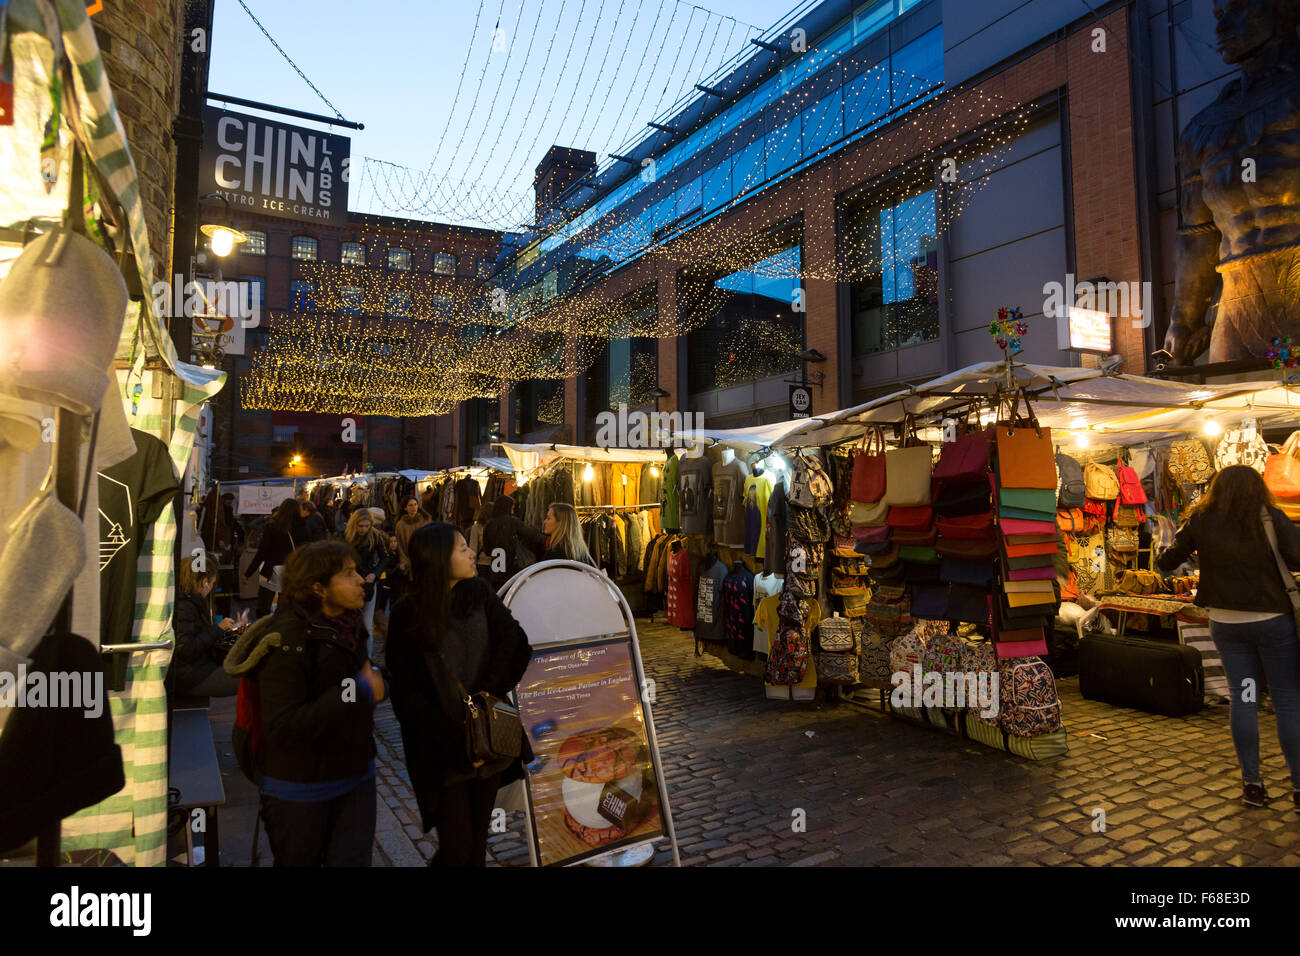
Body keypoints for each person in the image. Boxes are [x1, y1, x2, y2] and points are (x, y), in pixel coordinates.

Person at [224, 540, 384, 866]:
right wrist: (359, 690)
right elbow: (284, 725)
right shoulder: (287, 641)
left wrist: (376, 683)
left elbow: (372, 680)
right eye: (348, 574)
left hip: (355, 777)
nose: (360, 579)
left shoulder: (352, 626)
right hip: (299, 789)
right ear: (319, 588)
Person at [385, 523, 533, 867]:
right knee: (456, 848)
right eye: (462, 547)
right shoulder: (408, 613)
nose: (471, 553)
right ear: (437, 559)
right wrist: (456, 741)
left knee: (476, 846)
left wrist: (487, 697)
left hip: (488, 741)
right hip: (442, 753)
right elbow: (406, 696)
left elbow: (517, 644)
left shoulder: (479, 593)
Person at [1157, 464, 1300, 811]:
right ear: (1257, 489)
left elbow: (1167, 561)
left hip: (1228, 626)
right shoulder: (1271, 517)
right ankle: (1299, 789)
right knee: (1286, 702)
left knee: (1245, 699)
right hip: (1273, 623)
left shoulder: (1202, 520)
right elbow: (1297, 557)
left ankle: (1252, 784)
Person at [171, 553, 241, 697]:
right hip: (191, 677)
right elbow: (186, 650)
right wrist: (218, 628)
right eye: (213, 583)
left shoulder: (185, 601)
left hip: (194, 671)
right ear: (204, 582)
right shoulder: (186, 607)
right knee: (249, 679)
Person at [244, 499, 299, 617]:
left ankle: (263, 629)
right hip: (291, 570)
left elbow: (262, 552)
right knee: (285, 606)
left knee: (264, 604)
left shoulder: (273, 526)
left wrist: (248, 573)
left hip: (270, 570)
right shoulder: (301, 527)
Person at [481, 495, 547, 590]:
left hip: (496, 568)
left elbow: (487, 550)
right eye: (512, 507)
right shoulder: (513, 521)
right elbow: (531, 535)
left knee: (498, 593)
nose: (513, 510)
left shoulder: (489, 523)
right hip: (512, 567)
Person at [345, 508, 391, 642]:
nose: (363, 529)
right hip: (349, 581)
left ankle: (367, 657)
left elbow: (385, 558)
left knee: (367, 625)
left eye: (366, 526)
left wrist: (374, 574)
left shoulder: (375, 536)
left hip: (368, 582)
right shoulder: (346, 536)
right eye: (360, 526)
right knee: (350, 621)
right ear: (354, 524)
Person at [542, 502, 596, 566]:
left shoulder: (554, 554)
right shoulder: (583, 554)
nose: (545, 521)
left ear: (561, 523)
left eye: (548, 518)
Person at [394, 496, 431, 580]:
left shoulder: (425, 520)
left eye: (415, 504)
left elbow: (430, 540)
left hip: (425, 558)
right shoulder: (400, 525)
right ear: (405, 508)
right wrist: (404, 561)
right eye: (410, 505)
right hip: (409, 560)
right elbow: (399, 545)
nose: (414, 507)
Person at [467, 503, 494, 578]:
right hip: (496, 564)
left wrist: (473, 568)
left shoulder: (476, 528)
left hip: (482, 564)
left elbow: (473, 548)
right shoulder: (498, 527)